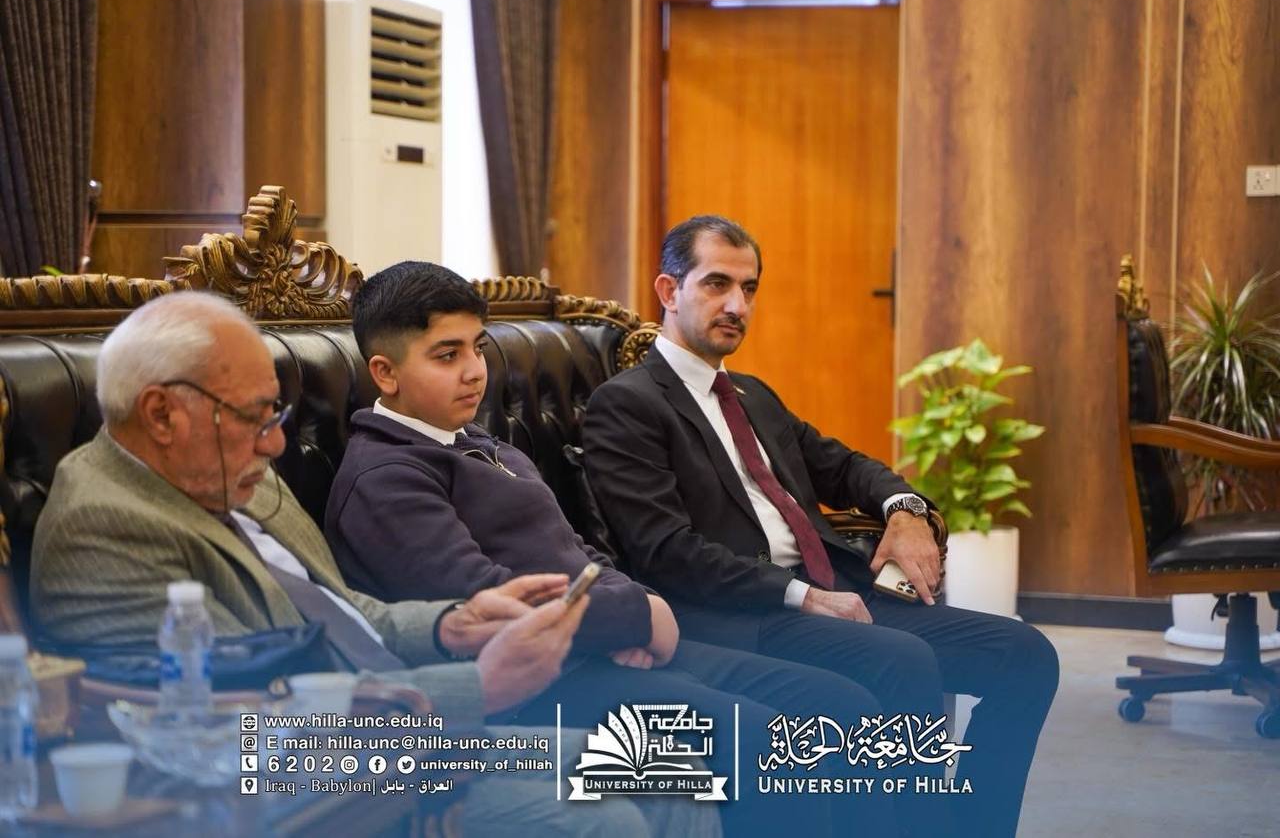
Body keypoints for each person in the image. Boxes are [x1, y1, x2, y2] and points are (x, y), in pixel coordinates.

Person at [29, 291, 717, 838]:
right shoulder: (106, 528)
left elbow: (341, 611)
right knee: (603, 814)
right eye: (255, 416)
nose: (275, 443)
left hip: (399, 722)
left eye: (275, 414)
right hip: (324, 780)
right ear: (161, 414)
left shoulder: (226, 465)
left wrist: (451, 624)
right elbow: (230, 726)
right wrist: (477, 686)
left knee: (668, 770)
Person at [324, 261, 904, 837]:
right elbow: (486, 601)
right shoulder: (385, 478)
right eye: (447, 356)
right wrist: (635, 617)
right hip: (536, 689)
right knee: (762, 740)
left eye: (477, 348)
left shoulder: (481, 442)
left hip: (604, 646)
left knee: (837, 705)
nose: (475, 371)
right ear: (386, 372)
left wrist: (641, 605)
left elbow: (577, 550)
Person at [582, 214, 1060, 838]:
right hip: (743, 613)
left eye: (749, 289)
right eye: (717, 284)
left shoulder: (752, 395)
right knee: (901, 660)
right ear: (669, 291)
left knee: (1025, 656)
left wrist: (906, 510)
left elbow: (845, 467)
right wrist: (802, 596)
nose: (737, 305)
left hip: (837, 591)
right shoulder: (628, 404)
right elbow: (665, 550)